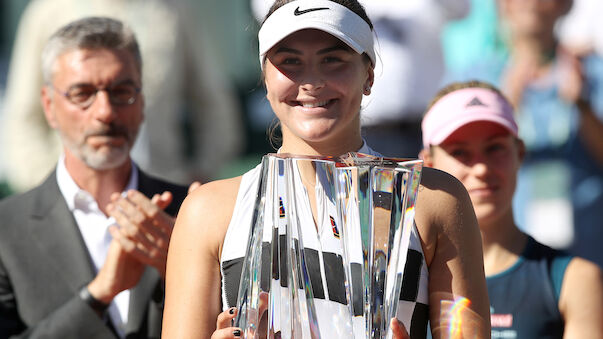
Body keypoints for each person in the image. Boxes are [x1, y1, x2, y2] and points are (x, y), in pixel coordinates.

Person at [162, 1, 490, 338]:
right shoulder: (208, 211)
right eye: (290, 62)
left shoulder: (435, 200)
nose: (312, 81)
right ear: (265, 76)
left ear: (369, 75)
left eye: (332, 60)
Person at [0, 17, 190, 338]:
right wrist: (100, 293)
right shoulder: (6, 230)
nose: (105, 111)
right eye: (82, 93)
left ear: (142, 102)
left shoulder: (192, 213)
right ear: (49, 106)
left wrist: (186, 265)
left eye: (122, 91)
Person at [420, 80, 603, 338]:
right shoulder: (402, 279)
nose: (482, 168)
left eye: (495, 148)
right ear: (428, 164)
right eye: (460, 152)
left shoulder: (575, 280)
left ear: (520, 153)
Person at [1, 0, 243, 193]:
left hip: (161, 192)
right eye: (82, 93)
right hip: (75, 202)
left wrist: (199, 174)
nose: (105, 110)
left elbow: (214, 102)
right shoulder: (49, 11)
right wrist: (48, 193)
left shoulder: (173, 11)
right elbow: (23, 115)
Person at [445, 0, 603, 267]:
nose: (531, 4)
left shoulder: (591, 70)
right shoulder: (475, 77)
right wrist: (505, 106)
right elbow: (448, 165)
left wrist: (583, 105)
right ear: (501, 6)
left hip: (587, 250)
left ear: (565, 5)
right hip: (504, 256)